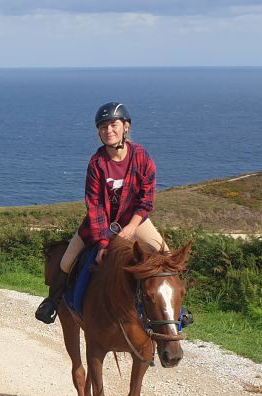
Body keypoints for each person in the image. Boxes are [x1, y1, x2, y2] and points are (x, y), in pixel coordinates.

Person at [35, 101, 167, 324]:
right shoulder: (96, 163)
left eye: (114, 124)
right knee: (67, 262)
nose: (108, 131)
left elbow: (146, 200)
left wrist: (131, 228)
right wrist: (104, 243)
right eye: (103, 127)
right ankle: (53, 302)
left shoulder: (142, 157)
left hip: (135, 220)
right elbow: (94, 206)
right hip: (99, 224)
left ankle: (175, 313)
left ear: (126, 127)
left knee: (166, 258)